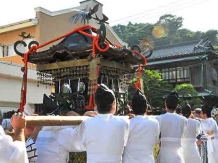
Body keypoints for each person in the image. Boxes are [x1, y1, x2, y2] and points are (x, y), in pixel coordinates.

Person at [58, 84, 129, 163]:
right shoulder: (123, 123)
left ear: (96, 104)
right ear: (114, 104)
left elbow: (75, 142)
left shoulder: (87, 123)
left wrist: (82, 117)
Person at [123, 90, 159, 163]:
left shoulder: (126, 123)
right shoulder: (154, 123)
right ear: (146, 107)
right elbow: (156, 142)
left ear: (131, 107)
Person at [156, 92, 187, 163]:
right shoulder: (183, 120)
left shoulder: (159, 119)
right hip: (178, 154)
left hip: (164, 154)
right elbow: (183, 136)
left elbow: (156, 138)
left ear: (165, 104)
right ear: (177, 105)